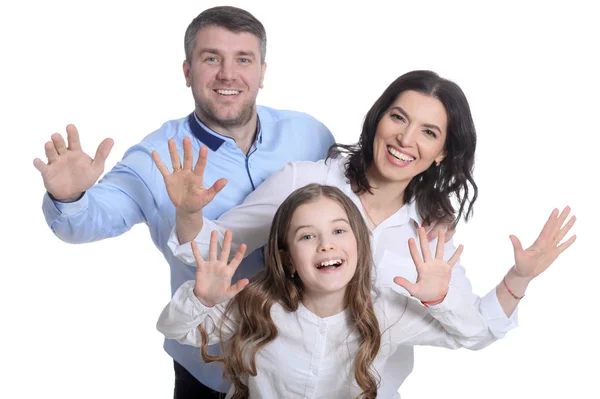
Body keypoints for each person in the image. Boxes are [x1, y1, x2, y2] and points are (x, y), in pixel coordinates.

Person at [155, 70, 577, 395]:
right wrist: (190, 213)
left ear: (442, 153)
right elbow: (211, 254)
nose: (405, 138)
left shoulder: (430, 232)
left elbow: (475, 329)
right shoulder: (306, 182)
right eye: (398, 117)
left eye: (428, 132)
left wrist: (517, 278)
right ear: (379, 119)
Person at [32, 6, 335, 398]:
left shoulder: (310, 134)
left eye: (243, 59)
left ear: (262, 72)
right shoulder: (156, 157)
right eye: (211, 59)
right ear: (188, 72)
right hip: (210, 371)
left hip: (307, 371)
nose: (228, 74)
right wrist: (69, 195)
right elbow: (86, 222)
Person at [157, 183, 574, 398]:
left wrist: (518, 279)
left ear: (358, 243)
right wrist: (202, 297)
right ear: (285, 258)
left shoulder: (386, 311)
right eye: (307, 236)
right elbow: (175, 328)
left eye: (339, 231)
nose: (326, 244)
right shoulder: (256, 305)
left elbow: (477, 332)